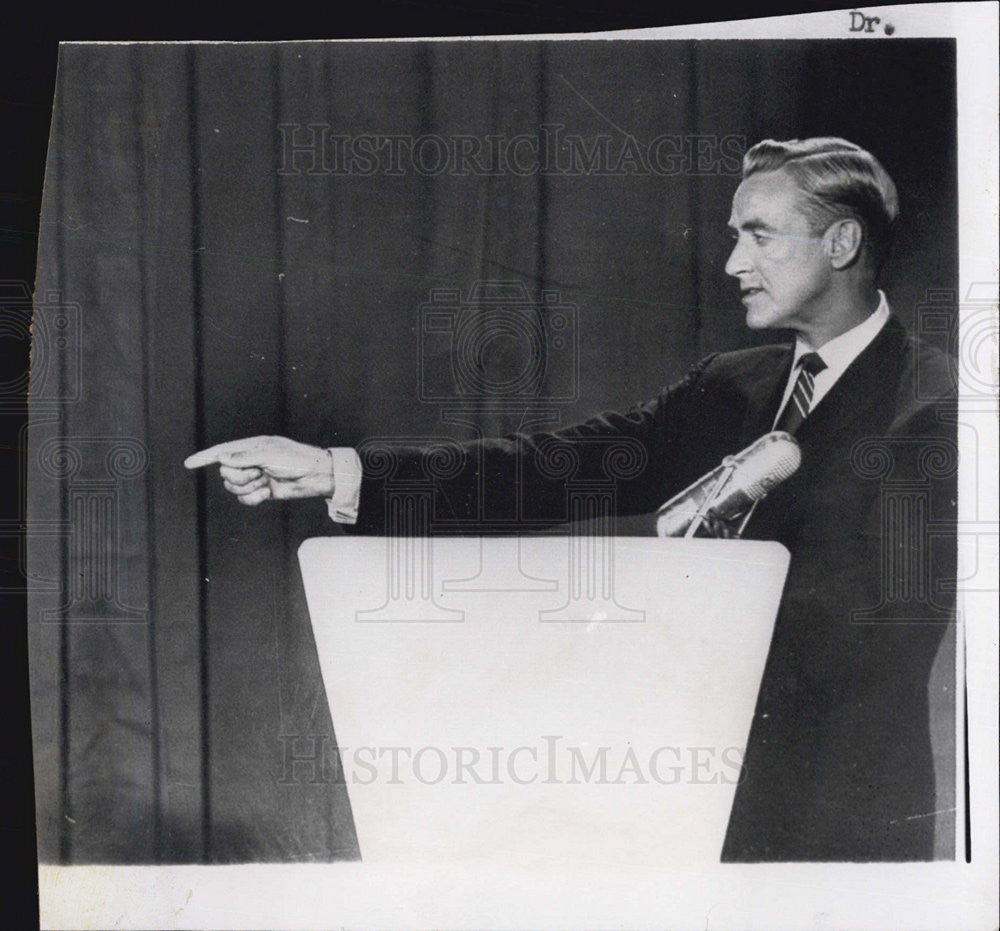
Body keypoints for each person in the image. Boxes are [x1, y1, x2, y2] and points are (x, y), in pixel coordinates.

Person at [185, 137, 957, 861]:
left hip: (831, 822)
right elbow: (553, 467)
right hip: (684, 811)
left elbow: (872, 637)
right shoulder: (730, 384)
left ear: (842, 244)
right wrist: (336, 471)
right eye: (733, 236)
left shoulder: (935, 406)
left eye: (759, 236)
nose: (732, 263)